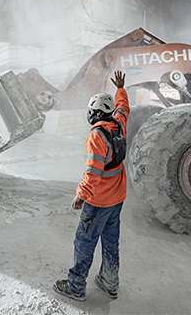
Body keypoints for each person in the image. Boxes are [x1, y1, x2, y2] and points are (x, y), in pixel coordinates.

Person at [53, 70, 129, 301]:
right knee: (110, 241)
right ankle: (109, 281)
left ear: (96, 113)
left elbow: (93, 172)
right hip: (117, 198)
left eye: (90, 111)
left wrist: (81, 195)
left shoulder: (96, 137)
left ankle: (75, 286)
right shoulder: (119, 125)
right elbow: (124, 108)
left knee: (84, 242)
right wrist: (120, 89)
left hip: (98, 201)